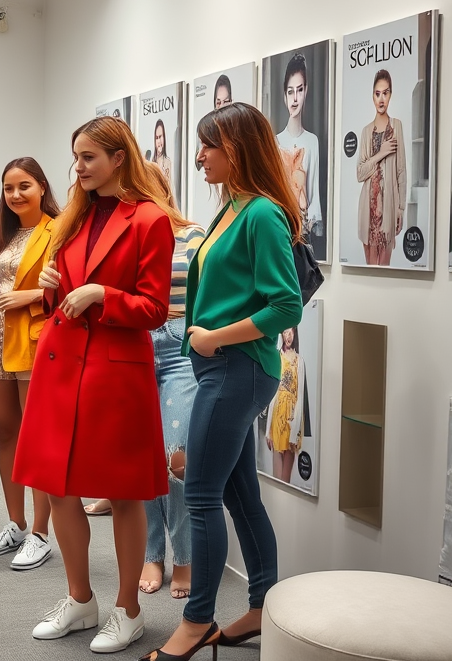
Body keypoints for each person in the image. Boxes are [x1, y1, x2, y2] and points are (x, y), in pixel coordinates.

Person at [14, 116, 174, 654]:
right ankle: (80, 601)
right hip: (61, 364)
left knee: (124, 493)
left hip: (114, 370)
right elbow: (62, 292)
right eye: (75, 158)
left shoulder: (150, 219)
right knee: (57, 486)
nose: (78, 168)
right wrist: (51, 286)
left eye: (88, 158)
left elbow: (154, 309)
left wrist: (102, 295)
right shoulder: (73, 218)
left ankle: (128, 609)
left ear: (118, 158)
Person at [149, 102, 302, 660]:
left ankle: (196, 623)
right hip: (221, 369)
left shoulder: (261, 213)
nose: (198, 157)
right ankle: (261, 606)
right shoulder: (230, 209)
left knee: (201, 493)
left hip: (236, 370)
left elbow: (287, 306)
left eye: (207, 146)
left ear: (235, 149)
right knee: (239, 496)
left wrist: (214, 337)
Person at [0, 157, 59, 570]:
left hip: (32, 342)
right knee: (6, 433)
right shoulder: (1, 233)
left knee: (36, 437)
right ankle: (15, 523)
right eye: (8, 188)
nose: (15, 194)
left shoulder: (58, 229)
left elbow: (69, 285)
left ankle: (40, 532)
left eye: (24, 186)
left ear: (41, 187)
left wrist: (32, 297)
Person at [138, 162, 204, 601]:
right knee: (142, 459)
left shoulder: (193, 234)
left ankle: (184, 557)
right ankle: (152, 552)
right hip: (137, 345)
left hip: (180, 345)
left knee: (175, 457)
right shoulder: (127, 234)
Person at [357, 69, 406, 266]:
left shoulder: (397, 127)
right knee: (370, 270)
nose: (381, 99)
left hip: (388, 208)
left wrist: (401, 208)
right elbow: (360, 173)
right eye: (377, 94)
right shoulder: (366, 131)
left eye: (385, 93)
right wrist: (382, 152)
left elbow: (401, 171)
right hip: (368, 209)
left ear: (390, 95)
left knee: (384, 270)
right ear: (372, 97)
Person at [275, 52, 322, 239]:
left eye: (300, 90)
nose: (295, 99)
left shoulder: (312, 141)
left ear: (306, 90)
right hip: (278, 230)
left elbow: (313, 193)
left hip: (303, 234)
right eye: (290, 91)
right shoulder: (275, 142)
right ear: (284, 95)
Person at [266, 327, 304, 484]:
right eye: (285, 332)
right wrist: (268, 429)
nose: (288, 336)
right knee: (276, 476)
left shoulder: (299, 361)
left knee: (285, 479)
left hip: (291, 417)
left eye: (291, 332)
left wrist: (295, 430)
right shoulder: (277, 358)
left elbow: (300, 395)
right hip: (277, 415)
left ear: (295, 334)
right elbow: (273, 394)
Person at [152, 119, 172, 183]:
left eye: (160, 137)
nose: (159, 141)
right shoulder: (151, 163)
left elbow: (169, 185)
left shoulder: (167, 162)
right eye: (157, 138)